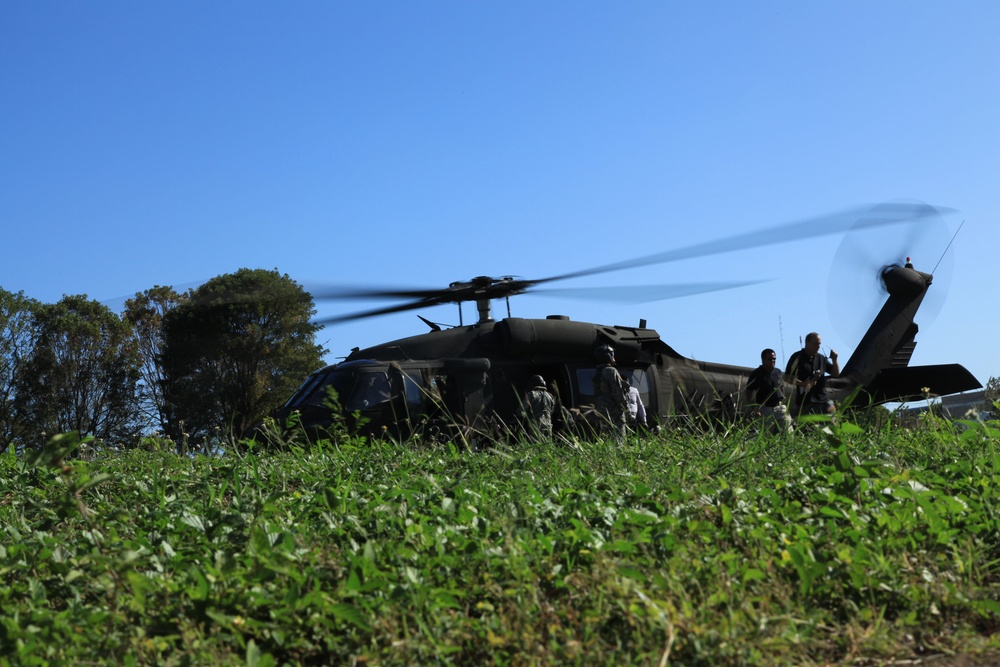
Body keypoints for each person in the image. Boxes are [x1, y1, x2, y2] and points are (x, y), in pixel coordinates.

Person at [785, 332, 840, 417]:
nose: (818, 346)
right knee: (807, 428)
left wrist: (835, 360)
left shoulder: (821, 358)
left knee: (832, 425)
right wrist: (803, 384)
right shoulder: (797, 357)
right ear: (807, 342)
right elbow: (787, 377)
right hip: (806, 402)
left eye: (819, 344)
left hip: (824, 400)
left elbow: (835, 374)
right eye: (815, 344)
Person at [745, 348, 793, 434]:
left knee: (788, 433)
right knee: (766, 435)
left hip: (780, 408)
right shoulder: (756, 374)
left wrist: (784, 404)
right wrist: (754, 408)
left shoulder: (778, 372)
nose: (772, 361)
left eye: (774, 359)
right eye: (769, 359)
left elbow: (781, 388)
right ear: (763, 360)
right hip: (765, 409)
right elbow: (748, 392)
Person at [592, 345, 629, 441]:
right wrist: (625, 408)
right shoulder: (611, 371)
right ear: (608, 356)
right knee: (619, 440)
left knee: (607, 439)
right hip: (614, 413)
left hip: (602, 412)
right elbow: (617, 392)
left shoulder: (597, 373)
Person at [522, 374, 556, 441]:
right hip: (548, 427)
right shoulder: (550, 396)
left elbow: (521, 411)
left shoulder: (531, 394)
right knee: (547, 448)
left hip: (535, 428)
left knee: (534, 449)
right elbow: (551, 411)